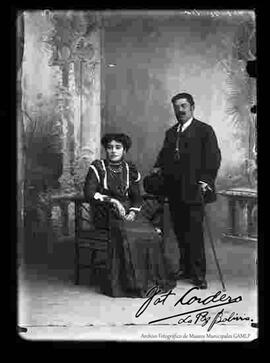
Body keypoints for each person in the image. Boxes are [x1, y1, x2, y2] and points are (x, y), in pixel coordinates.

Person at [84, 133, 176, 297]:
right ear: (106, 149)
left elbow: (137, 197)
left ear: (124, 150)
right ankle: (130, 285)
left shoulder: (130, 169)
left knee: (150, 234)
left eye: (118, 148)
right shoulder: (97, 167)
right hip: (106, 212)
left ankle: (148, 282)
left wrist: (133, 212)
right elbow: (89, 193)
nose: (113, 151)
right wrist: (113, 201)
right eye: (110, 148)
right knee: (129, 234)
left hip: (128, 211)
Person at [152, 93, 221, 289]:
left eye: (183, 106)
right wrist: (157, 168)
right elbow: (163, 156)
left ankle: (198, 275)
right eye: (176, 107)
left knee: (195, 233)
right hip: (174, 191)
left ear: (192, 107)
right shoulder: (171, 133)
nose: (180, 110)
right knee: (180, 232)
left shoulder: (204, 131)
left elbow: (213, 158)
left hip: (194, 190)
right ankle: (185, 268)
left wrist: (205, 181)